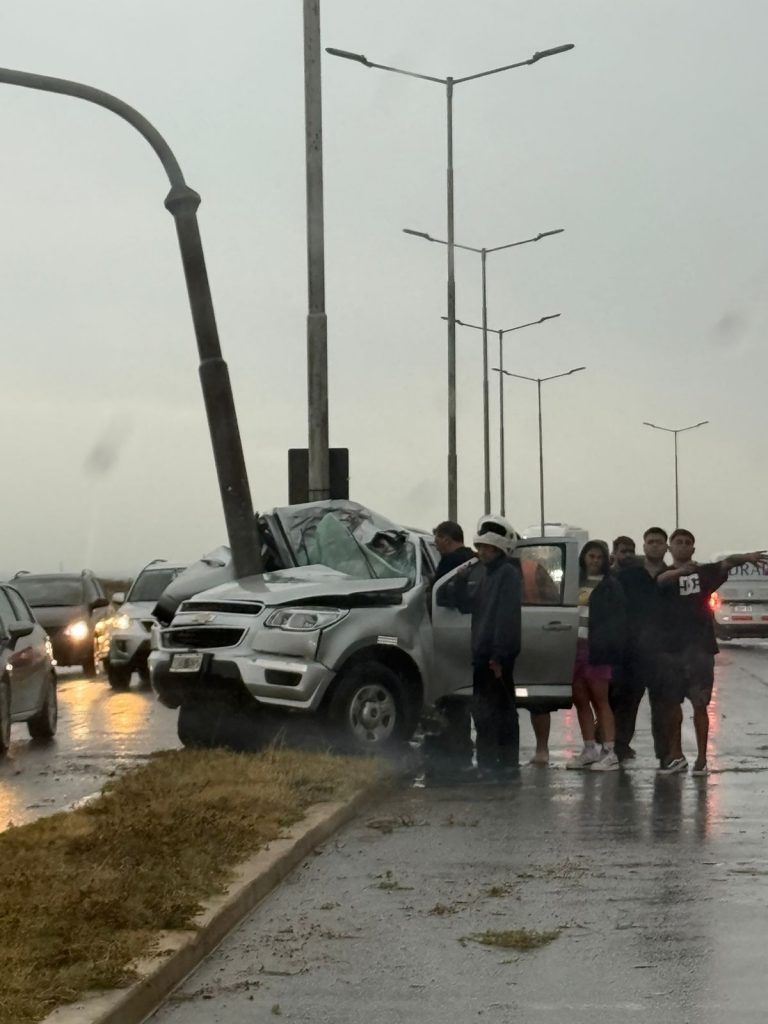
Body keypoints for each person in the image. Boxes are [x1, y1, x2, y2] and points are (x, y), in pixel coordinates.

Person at [654, 532, 768, 775]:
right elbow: (660, 581)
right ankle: (676, 755)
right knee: (672, 706)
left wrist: (747, 557)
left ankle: (702, 758)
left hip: (700, 649)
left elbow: (727, 562)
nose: (683, 547)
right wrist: (679, 573)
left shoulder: (705, 573)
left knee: (700, 704)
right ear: (670, 547)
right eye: (679, 543)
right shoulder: (663, 574)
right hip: (671, 648)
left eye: (688, 543)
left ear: (693, 549)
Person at [445, 517, 522, 776]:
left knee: (502, 711)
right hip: (482, 654)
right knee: (484, 711)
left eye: (488, 548)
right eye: (481, 547)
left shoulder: (507, 574)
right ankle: (490, 761)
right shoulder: (485, 574)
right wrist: (458, 582)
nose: (482, 552)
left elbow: (506, 617)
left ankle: (505, 762)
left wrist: (499, 655)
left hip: (495, 656)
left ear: (499, 548)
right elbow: (467, 605)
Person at [566, 540, 626, 771]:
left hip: (597, 648)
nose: (594, 561)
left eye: (599, 557)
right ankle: (589, 748)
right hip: (574, 646)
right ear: (583, 558)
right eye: (591, 556)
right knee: (580, 699)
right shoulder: (574, 583)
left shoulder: (611, 585)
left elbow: (618, 619)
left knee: (601, 700)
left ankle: (609, 751)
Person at [612, 527, 670, 762]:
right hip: (632, 652)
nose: (655, 545)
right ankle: (620, 746)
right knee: (626, 703)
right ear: (644, 546)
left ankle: (665, 753)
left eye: (659, 542)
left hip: (663, 652)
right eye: (650, 542)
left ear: (666, 547)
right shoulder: (628, 576)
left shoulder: (675, 574)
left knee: (662, 706)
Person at [428, 521, 476, 768]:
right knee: (464, 693)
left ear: (447, 538)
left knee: (448, 694)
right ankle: (462, 743)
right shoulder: (472, 560)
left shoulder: (451, 562)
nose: (435, 543)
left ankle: (452, 745)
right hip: (467, 633)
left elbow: (438, 594)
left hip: (445, 633)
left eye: (437, 538)